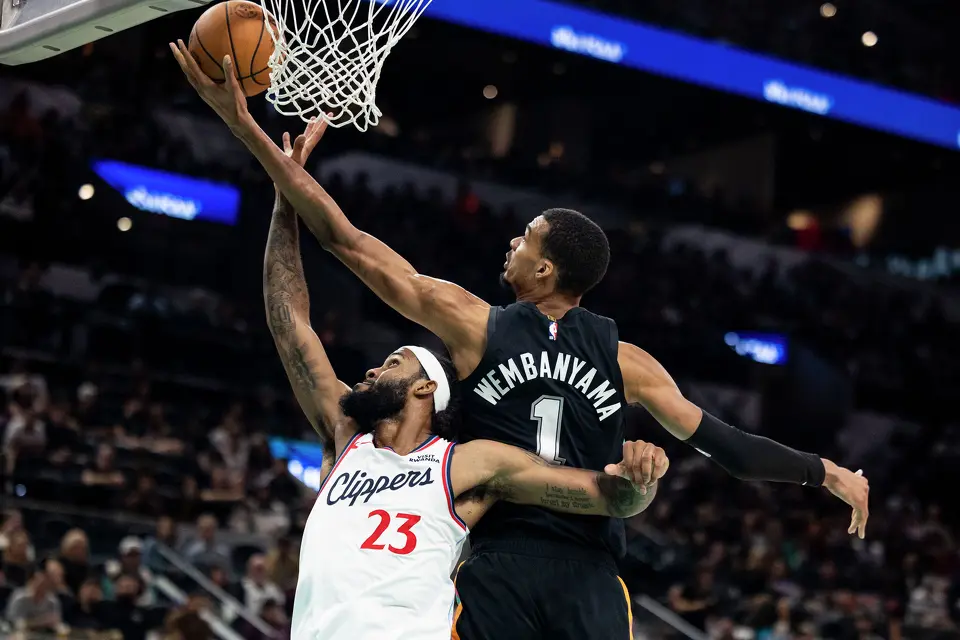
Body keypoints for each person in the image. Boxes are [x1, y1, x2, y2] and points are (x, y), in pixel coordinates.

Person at [169, 45, 870, 640]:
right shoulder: (624, 363)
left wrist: (254, 139)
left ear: (545, 268)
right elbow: (727, 448)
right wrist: (822, 471)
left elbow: (347, 242)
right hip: (544, 558)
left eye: (524, 237)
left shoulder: (480, 323)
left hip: (527, 559)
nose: (510, 240)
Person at [253, 119, 667, 639]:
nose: (373, 370)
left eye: (394, 363)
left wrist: (641, 482)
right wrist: (283, 192)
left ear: (428, 386)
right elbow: (288, 320)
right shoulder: (345, 439)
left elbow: (606, 497)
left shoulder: (465, 463)